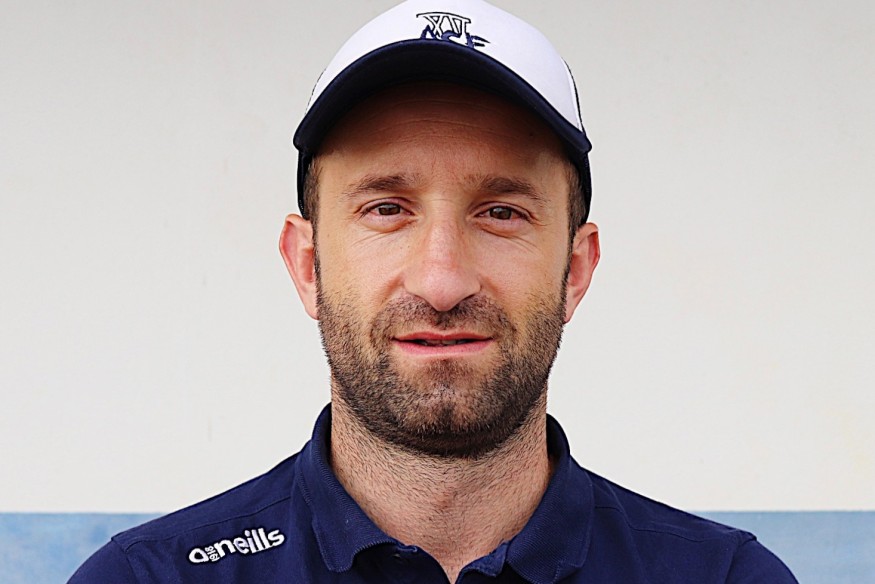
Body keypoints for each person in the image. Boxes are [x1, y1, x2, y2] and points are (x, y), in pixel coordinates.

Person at [69, 1, 797, 582]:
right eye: (386, 209)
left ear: (575, 270)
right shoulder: (146, 578)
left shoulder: (725, 577)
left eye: (501, 213)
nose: (441, 281)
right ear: (308, 265)